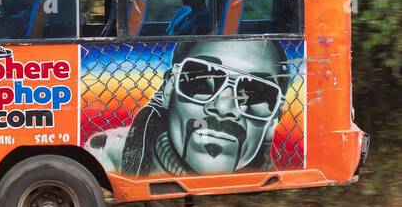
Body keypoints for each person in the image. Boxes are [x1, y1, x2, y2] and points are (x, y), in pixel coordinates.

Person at [87, 39, 291, 177]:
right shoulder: (105, 156)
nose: (222, 108)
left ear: (274, 119)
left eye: (254, 94)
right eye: (200, 83)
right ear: (168, 89)